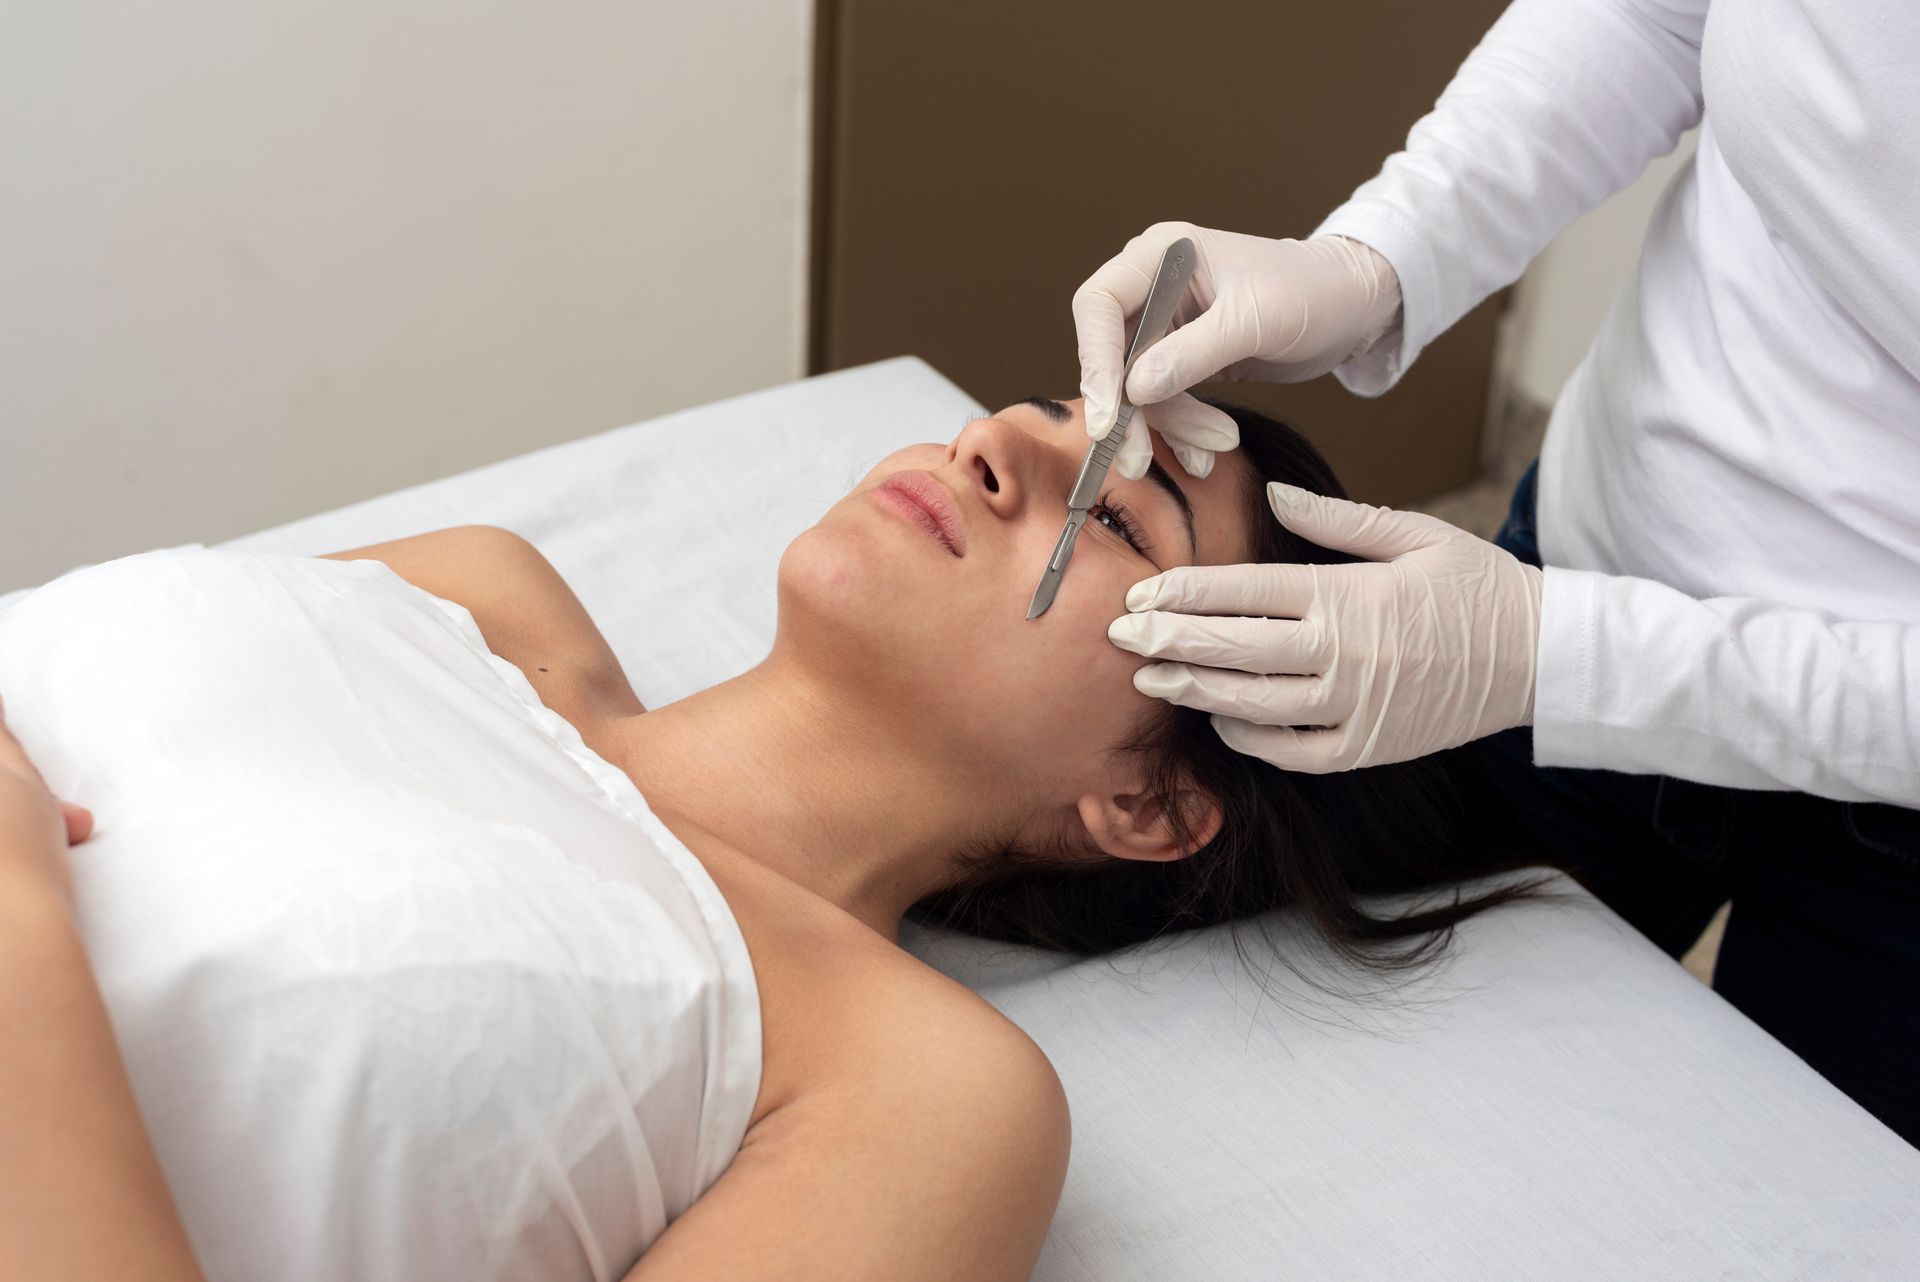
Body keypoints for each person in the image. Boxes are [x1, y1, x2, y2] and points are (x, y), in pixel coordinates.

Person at [0, 396, 1559, 1281]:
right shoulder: (484, 591)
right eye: (1055, 407)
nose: (1000, 440)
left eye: (1116, 514)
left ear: (1149, 803)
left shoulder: (917, 1091)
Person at [1075, 1, 1920, 1146]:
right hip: (1577, 556)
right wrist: (1378, 255)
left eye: (1124, 521)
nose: (1002, 441)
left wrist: (1557, 657)